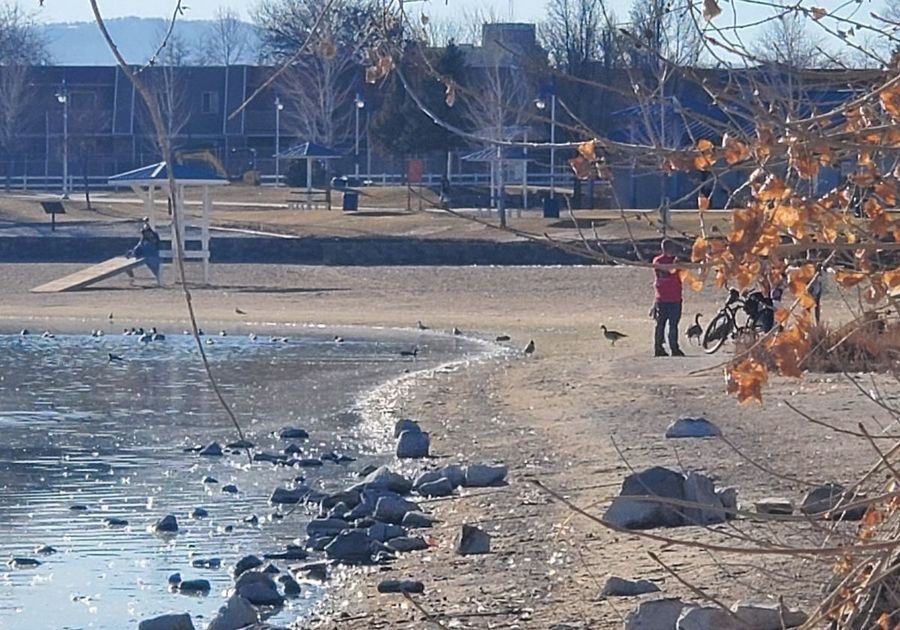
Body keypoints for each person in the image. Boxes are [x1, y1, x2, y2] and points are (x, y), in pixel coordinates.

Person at [651, 239, 684, 357]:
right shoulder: (658, 261)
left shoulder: (677, 261)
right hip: (662, 298)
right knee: (661, 324)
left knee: (673, 325)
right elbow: (666, 272)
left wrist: (678, 263)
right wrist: (674, 265)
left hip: (675, 297)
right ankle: (658, 348)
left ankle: (674, 348)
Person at [126, 217, 162, 286]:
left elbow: (154, 247)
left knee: (155, 268)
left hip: (151, 256)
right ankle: (132, 278)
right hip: (143, 255)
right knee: (127, 264)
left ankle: (159, 280)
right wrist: (132, 253)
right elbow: (139, 246)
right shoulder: (144, 237)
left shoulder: (153, 236)